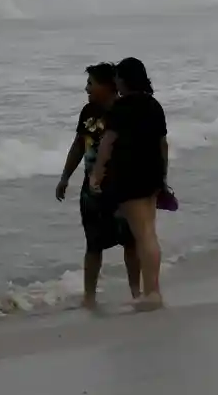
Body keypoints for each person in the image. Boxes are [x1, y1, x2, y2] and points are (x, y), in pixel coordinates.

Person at [56, 63, 141, 309]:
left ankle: (136, 294)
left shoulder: (126, 111)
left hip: (124, 188)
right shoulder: (88, 112)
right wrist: (65, 177)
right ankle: (89, 297)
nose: (87, 88)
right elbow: (79, 145)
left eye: (91, 83)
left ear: (107, 86)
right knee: (93, 244)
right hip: (92, 191)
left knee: (131, 242)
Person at [89, 57, 167, 311]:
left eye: (118, 79)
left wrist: (97, 174)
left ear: (124, 80)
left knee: (142, 234)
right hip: (152, 174)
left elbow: (107, 144)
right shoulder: (154, 106)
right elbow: (162, 145)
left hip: (128, 177)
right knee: (149, 233)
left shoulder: (121, 108)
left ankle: (152, 293)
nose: (117, 83)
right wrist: (163, 176)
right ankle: (152, 291)